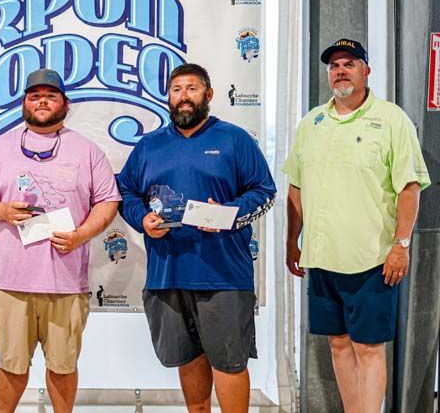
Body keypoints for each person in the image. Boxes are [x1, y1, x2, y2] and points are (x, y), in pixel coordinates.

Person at [117, 63, 275, 412]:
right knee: (187, 358)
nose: (183, 96)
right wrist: (142, 218)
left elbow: (265, 192)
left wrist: (227, 215)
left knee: (230, 362)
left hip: (223, 274)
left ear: (209, 95)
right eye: (176, 89)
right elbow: (125, 193)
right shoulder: (149, 146)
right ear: (168, 97)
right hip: (168, 273)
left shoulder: (234, 139)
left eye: (191, 88)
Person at [283, 38, 430, 413]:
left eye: (349, 64)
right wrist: (291, 243)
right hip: (322, 258)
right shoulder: (311, 123)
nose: (340, 71)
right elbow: (296, 188)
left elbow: (409, 189)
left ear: (367, 71)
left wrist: (401, 245)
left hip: (372, 259)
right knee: (337, 343)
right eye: (334, 66)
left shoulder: (391, 119)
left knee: (368, 347)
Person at [0, 68, 121, 413]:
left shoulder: (87, 151)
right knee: (11, 365)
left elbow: (108, 200)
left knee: (63, 367)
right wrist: (3, 210)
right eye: (35, 96)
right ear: (24, 103)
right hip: (11, 283)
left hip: (66, 282)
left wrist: (81, 235)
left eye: (50, 95)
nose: (42, 101)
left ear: (65, 102)